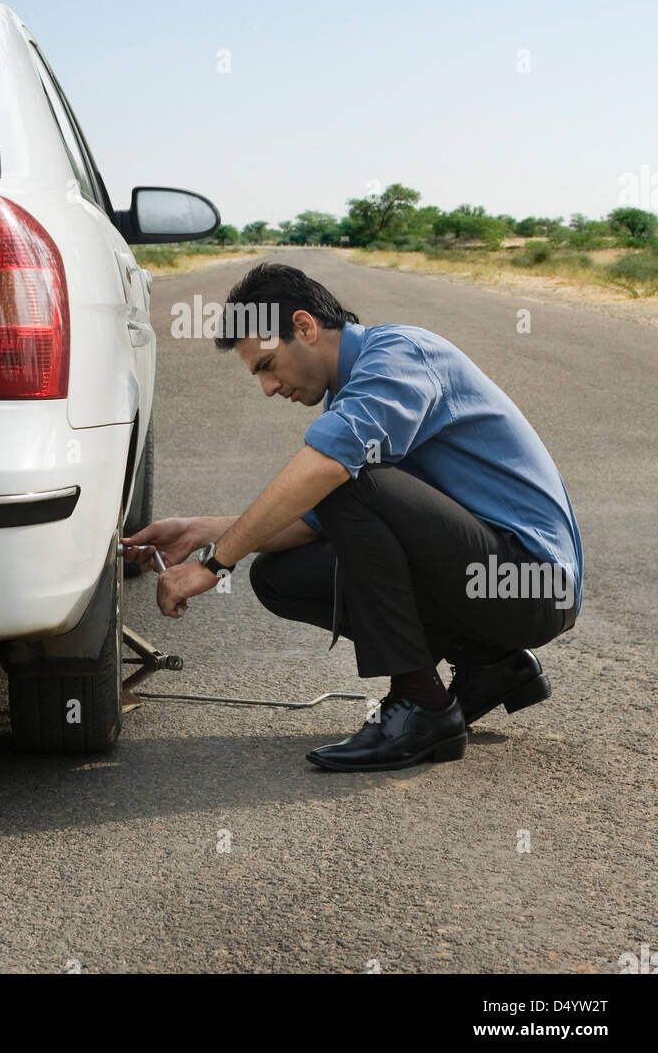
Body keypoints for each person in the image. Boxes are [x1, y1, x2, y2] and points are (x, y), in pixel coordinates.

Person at [121, 262, 583, 773]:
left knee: (344, 477)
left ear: (304, 327)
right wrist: (204, 532)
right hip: (490, 579)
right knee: (281, 576)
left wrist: (213, 568)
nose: (268, 388)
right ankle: (490, 662)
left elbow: (331, 476)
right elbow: (318, 521)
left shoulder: (401, 355)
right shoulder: (351, 392)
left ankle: (422, 706)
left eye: (268, 365)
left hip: (531, 584)